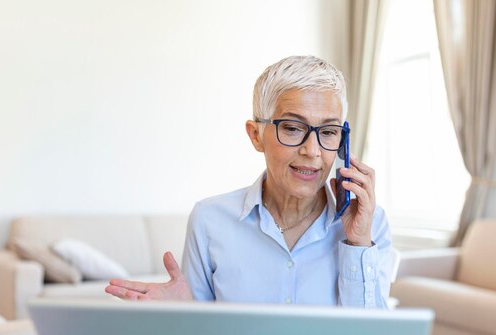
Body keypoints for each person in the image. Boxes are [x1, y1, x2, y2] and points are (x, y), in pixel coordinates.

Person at [105, 55, 393, 308]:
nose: (312, 151)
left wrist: (357, 246)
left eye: (328, 132)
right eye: (293, 128)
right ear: (256, 135)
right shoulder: (209, 220)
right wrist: (186, 314)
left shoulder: (370, 224)